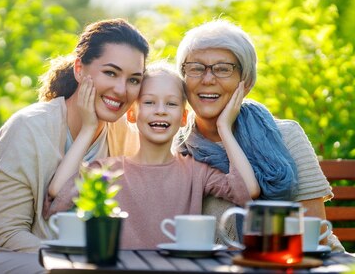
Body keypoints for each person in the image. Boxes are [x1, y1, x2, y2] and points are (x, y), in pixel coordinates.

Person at [0, 18, 150, 273]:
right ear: (80, 69)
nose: (121, 89)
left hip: (60, 256)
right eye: (110, 73)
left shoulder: (122, 133)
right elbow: (8, 234)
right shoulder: (27, 128)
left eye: (134, 80)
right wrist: (76, 263)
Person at [46, 62, 260, 249]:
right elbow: (58, 192)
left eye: (172, 103)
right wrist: (88, 128)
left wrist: (224, 126)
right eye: (149, 102)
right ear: (132, 114)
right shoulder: (106, 172)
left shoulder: (197, 172)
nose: (161, 111)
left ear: (184, 117)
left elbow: (247, 190)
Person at [175, 19, 345, 251]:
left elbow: (315, 237)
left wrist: (225, 128)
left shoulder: (287, 136)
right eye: (196, 67)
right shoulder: (178, 147)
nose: (208, 79)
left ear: (246, 82)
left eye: (223, 68)